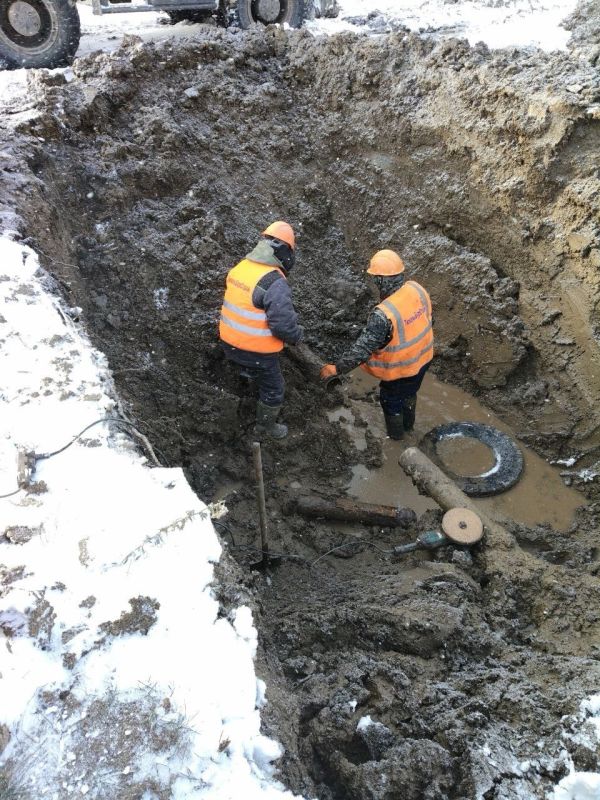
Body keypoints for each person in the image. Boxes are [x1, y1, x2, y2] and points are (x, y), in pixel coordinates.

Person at [320, 249, 433, 439]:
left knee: (391, 401)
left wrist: (336, 369)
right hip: (424, 359)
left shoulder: (383, 314)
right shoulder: (417, 289)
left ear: (380, 280)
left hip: (401, 371)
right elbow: (429, 319)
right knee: (409, 393)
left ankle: (397, 439)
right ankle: (409, 427)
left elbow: (362, 349)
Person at [219, 221, 303, 440]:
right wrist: (297, 335)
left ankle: (246, 376)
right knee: (274, 388)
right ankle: (264, 428)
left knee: (250, 368)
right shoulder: (273, 281)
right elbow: (283, 326)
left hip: (228, 343)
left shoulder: (241, 267)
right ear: (285, 251)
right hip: (255, 352)